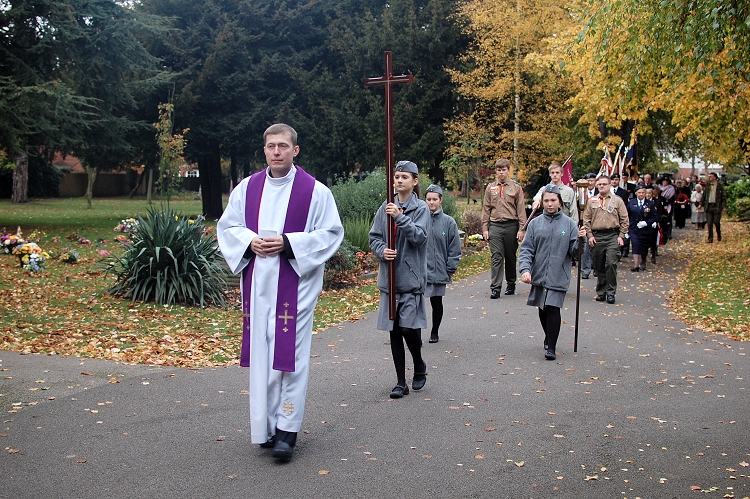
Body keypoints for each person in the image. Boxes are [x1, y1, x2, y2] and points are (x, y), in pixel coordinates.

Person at [217, 123, 344, 462]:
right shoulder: (247, 189)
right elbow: (228, 226)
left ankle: (287, 430)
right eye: (271, 146)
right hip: (258, 288)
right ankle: (265, 428)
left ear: (295, 150)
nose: (277, 151)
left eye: (283, 146)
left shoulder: (316, 192)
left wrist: (289, 243)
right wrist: (249, 240)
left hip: (296, 289)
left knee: (290, 359)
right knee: (263, 357)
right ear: (264, 151)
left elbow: (331, 233)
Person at [369, 160, 430, 399]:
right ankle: (400, 382)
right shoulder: (385, 205)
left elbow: (419, 237)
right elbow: (373, 237)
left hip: (410, 280)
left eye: (404, 177)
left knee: (407, 327)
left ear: (414, 181)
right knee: (394, 330)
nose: (399, 181)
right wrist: (382, 251)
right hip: (390, 280)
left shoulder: (422, 208)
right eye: (396, 176)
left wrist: (400, 218)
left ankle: (419, 363)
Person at [519, 185, 586, 361]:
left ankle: (552, 347)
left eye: (553, 200)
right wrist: (525, 269)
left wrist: (581, 239)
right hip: (539, 273)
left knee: (553, 307)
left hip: (559, 273)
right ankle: (548, 336)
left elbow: (575, 252)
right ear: (542, 203)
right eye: (547, 201)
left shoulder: (569, 224)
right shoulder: (535, 224)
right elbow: (527, 249)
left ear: (559, 202)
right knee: (542, 308)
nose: (550, 204)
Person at [481, 158, 527, 298]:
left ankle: (511, 283)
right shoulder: (490, 188)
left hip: (511, 225)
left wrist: (521, 229)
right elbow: (486, 209)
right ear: (496, 171)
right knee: (496, 256)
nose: (501, 173)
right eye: (499, 170)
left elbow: (521, 209)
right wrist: (485, 228)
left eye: (504, 170)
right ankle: (496, 287)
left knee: (510, 256)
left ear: (508, 170)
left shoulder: (516, 187)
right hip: (495, 225)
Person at [424, 184, 462, 344]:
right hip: (422, 269)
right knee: (416, 302)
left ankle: (435, 331)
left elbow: (454, 247)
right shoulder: (420, 220)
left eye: (434, 199)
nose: (431, 203)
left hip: (440, 269)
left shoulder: (448, 222)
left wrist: (450, 267)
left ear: (440, 200)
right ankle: (415, 334)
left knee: (436, 301)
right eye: (428, 199)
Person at [583, 175, 629, 304]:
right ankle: (601, 291)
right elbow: (586, 220)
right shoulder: (592, 201)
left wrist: (621, 236)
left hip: (612, 235)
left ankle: (610, 292)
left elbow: (625, 220)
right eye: (600, 184)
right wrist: (590, 235)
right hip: (597, 236)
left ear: (609, 185)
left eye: (604, 184)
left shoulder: (617, 201)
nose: (601, 186)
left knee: (611, 263)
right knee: (598, 265)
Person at [627, 185, 657, 271]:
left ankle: (643, 262)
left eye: (643, 192)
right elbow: (627, 215)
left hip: (645, 229)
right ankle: (636, 265)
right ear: (636, 193)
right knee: (635, 245)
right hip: (634, 228)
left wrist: (646, 223)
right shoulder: (631, 203)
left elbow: (654, 216)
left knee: (644, 246)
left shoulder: (650, 203)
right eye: (639, 192)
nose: (641, 194)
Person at [580, 173, 598, 279]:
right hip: (585, 223)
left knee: (596, 249)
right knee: (585, 248)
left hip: (597, 223)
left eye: (592, 180)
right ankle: (585, 270)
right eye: (588, 181)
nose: (590, 183)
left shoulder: (599, 193)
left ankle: (596, 268)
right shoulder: (581, 192)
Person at [704, 172, 726, 243]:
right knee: (709, 223)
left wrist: (724, 206)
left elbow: (723, 196)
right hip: (709, 206)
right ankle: (710, 238)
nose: (709, 177)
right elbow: (704, 195)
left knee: (716, 222)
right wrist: (701, 204)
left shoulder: (720, 185)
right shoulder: (708, 185)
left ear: (715, 177)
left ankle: (719, 234)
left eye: (711, 176)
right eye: (709, 176)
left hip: (717, 206)